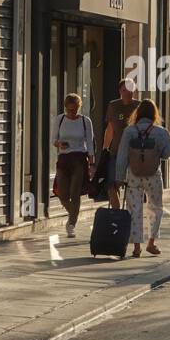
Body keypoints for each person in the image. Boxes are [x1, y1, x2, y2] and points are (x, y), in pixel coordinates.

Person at [115, 99, 170, 257]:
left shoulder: (129, 131)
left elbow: (122, 156)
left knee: (134, 209)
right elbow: (168, 153)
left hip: (133, 176)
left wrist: (119, 177)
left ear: (138, 113)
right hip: (153, 176)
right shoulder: (160, 131)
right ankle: (151, 243)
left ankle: (136, 247)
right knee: (155, 208)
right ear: (154, 113)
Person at [51, 93, 94, 238]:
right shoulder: (60, 119)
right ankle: (73, 212)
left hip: (79, 158)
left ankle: (71, 224)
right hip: (64, 158)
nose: (72, 113)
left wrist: (92, 163)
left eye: (74, 110)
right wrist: (59, 144)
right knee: (62, 193)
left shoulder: (85, 121)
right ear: (65, 108)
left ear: (79, 107)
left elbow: (90, 143)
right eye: (69, 110)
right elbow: (54, 140)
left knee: (75, 193)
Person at [103, 80, 137, 208]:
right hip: (116, 151)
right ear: (119, 91)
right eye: (124, 90)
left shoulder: (139, 106)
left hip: (134, 153)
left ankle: (130, 214)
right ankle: (117, 213)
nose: (127, 93)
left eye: (130, 90)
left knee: (132, 185)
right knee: (112, 184)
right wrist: (105, 149)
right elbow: (110, 129)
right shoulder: (113, 106)